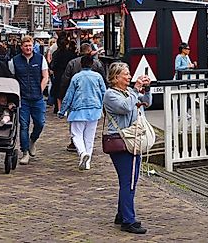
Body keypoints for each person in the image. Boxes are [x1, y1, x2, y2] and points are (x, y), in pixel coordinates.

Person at [104, 62, 152, 234]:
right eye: (126, 74)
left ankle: (121, 214)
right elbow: (125, 108)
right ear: (116, 77)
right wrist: (136, 89)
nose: (130, 76)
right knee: (129, 182)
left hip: (131, 139)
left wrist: (146, 89)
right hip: (123, 141)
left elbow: (146, 103)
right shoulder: (110, 95)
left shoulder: (127, 92)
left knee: (128, 180)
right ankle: (128, 221)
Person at [58, 54, 107, 170]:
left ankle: (82, 153)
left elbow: (69, 95)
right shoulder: (98, 77)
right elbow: (104, 93)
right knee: (89, 137)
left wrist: (62, 110)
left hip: (78, 110)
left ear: (81, 64)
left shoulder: (76, 77)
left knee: (76, 134)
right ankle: (87, 161)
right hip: (95, 110)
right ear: (92, 64)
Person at [9, 36, 50, 165]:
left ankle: (33, 140)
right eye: (26, 46)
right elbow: (11, 79)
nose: (28, 48)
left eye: (30, 45)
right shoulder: (14, 61)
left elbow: (45, 76)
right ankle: (25, 152)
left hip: (37, 98)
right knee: (24, 125)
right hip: (23, 99)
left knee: (40, 123)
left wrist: (40, 89)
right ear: (21, 47)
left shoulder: (40, 59)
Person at [52, 39, 78, 112]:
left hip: (58, 74)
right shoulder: (70, 54)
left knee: (58, 93)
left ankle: (59, 109)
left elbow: (52, 65)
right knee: (69, 91)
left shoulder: (55, 53)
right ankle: (68, 108)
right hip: (69, 74)